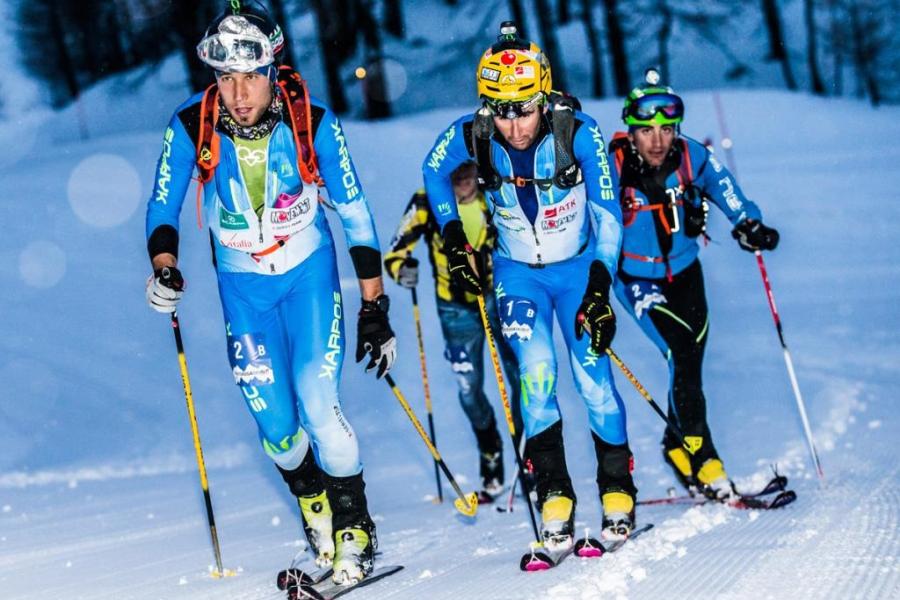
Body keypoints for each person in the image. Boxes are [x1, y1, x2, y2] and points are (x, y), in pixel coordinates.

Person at [143, 2, 395, 585]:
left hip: (307, 274)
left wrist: (373, 306)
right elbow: (163, 204)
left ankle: (355, 527)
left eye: (250, 76)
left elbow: (356, 216)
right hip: (243, 291)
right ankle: (317, 515)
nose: (238, 92)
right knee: (278, 429)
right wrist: (165, 267)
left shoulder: (313, 121)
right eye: (226, 77)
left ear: (273, 68)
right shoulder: (191, 125)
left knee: (318, 403)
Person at [421, 22, 638, 547]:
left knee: (592, 379)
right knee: (536, 377)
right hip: (517, 275)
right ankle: (555, 495)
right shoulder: (473, 134)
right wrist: (453, 236)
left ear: (544, 97)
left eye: (523, 108)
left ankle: (617, 487)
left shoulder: (577, 133)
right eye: (500, 109)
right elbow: (433, 171)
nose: (513, 125)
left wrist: (600, 285)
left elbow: (608, 215)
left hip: (578, 272)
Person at [608, 69, 779, 499]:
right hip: (637, 277)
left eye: (666, 129)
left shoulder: (691, 157)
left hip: (686, 272)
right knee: (681, 351)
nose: (657, 139)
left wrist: (748, 223)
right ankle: (706, 462)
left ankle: (675, 446)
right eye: (646, 130)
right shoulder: (610, 165)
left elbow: (726, 187)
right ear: (631, 130)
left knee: (688, 362)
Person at [383, 161, 522, 500]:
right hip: (455, 309)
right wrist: (404, 271)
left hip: (499, 298)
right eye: (453, 174)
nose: (462, 180)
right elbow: (396, 251)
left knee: (522, 377)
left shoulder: (494, 194)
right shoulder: (426, 201)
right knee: (468, 389)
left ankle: (528, 457)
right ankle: (491, 453)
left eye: (468, 171)